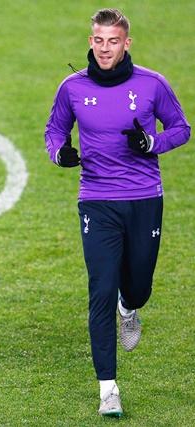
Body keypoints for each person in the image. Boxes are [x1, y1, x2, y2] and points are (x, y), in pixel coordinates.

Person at [45, 8, 190, 417]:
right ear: (90, 41)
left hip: (145, 198)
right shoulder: (71, 88)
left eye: (113, 41)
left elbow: (181, 128)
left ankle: (132, 306)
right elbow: (54, 130)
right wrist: (61, 153)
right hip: (96, 199)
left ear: (126, 43)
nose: (104, 48)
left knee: (137, 285)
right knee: (101, 290)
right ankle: (108, 388)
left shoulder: (152, 83)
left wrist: (151, 143)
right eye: (98, 40)